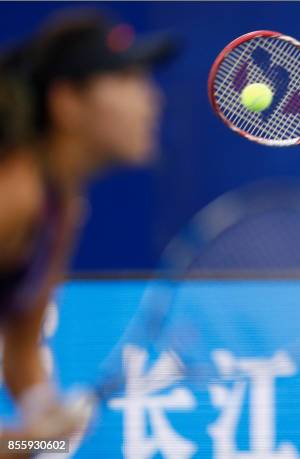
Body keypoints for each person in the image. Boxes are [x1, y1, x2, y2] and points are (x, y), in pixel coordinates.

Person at [0, 10, 176, 449]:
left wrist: (44, 415)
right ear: (67, 102)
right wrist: (15, 444)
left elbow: (21, 345)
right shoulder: (11, 197)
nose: (152, 100)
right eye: (127, 80)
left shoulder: (62, 205)